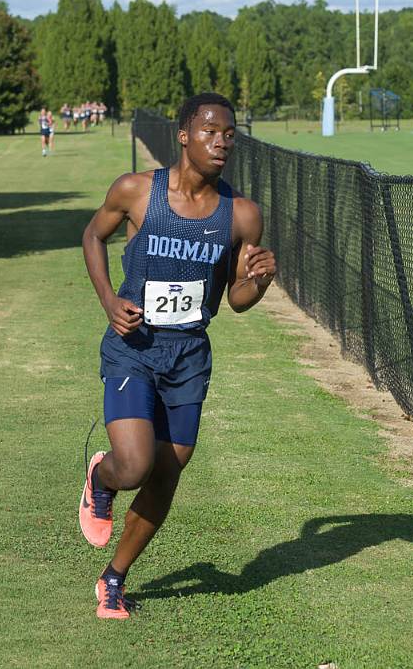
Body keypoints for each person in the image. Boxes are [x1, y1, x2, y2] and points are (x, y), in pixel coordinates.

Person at [78, 92, 277, 619]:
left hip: (189, 355)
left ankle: (114, 578)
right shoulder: (137, 191)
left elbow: (236, 301)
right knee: (137, 462)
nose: (222, 141)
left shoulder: (242, 215)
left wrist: (259, 282)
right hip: (135, 347)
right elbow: (92, 237)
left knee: (168, 472)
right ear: (184, 135)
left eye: (230, 133)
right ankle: (101, 478)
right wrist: (108, 301)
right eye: (211, 130)